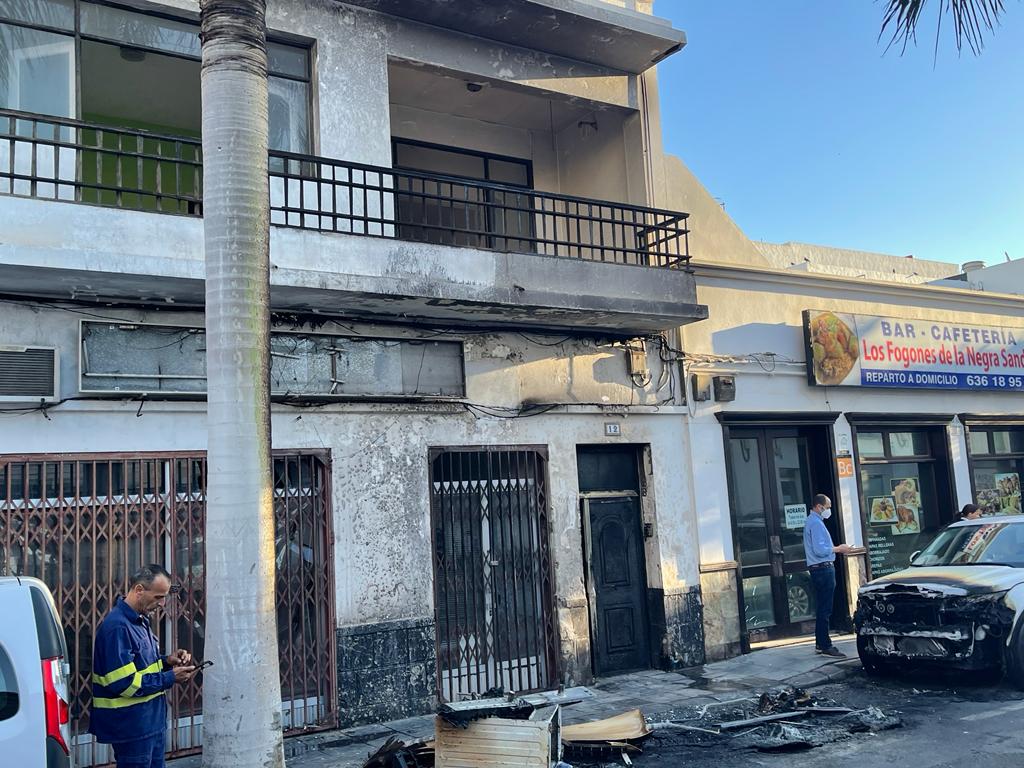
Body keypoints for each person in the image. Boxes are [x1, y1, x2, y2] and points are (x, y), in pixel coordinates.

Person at [90, 565, 196, 768]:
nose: (162, 603)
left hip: (149, 723)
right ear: (139, 590)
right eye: (158, 597)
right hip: (132, 727)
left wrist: (167, 661)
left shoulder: (139, 620)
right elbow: (124, 683)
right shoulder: (117, 627)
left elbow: (140, 665)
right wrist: (171, 677)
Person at [803, 494, 852, 657]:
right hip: (823, 569)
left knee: (822, 607)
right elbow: (820, 550)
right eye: (828, 507)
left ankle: (820, 642)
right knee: (825, 608)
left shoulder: (813, 521)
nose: (829, 510)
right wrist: (839, 548)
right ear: (819, 506)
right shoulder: (816, 523)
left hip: (818, 569)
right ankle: (825, 645)